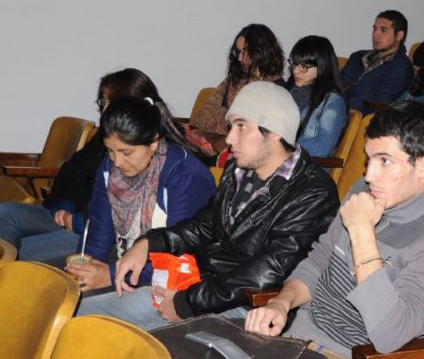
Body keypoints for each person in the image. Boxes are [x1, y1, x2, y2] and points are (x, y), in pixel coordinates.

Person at [78, 82, 339, 330]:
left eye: (241, 126)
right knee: (78, 314)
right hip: (199, 287)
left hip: (247, 309)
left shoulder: (313, 193)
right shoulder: (239, 169)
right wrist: (149, 243)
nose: (229, 139)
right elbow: (204, 225)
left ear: (275, 132)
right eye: (231, 126)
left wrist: (186, 302)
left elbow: (265, 273)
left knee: (112, 337)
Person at [245, 101, 424, 358]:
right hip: (294, 340)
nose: (370, 175)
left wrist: (362, 232)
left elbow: (390, 333)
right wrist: (280, 304)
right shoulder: (363, 191)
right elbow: (318, 261)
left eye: (385, 161)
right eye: (370, 159)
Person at [0, 69, 161, 266]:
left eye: (109, 102)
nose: (104, 109)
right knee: (5, 213)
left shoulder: (146, 149)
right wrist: (64, 205)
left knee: (20, 252)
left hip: (96, 233)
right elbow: (72, 171)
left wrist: (78, 220)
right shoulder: (105, 135)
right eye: (102, 102)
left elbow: (122, 212)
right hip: (70, 214)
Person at [67, 96, 216, 292]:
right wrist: (87, 270)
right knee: (63, 295)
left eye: (126, 152)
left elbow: (182, 253)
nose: (117, 162)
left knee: (82, 314)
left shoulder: (186, 176)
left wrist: (110, 276)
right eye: (110, 151)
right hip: (127, 261)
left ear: (154, 141)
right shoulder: (109, 168)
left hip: (176, 281)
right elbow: (98, 231)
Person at [192, 24, 285, 150]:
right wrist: (233, 122)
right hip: (214, 142)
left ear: (261, 52)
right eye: (238, 52)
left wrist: (225, 118)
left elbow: (256, 131)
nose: (240, 58)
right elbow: (204, 115)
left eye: (245, 52)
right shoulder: (235, 78)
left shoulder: (275, 88)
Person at [285, 35, 347, 157]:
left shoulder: (333, 102)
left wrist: (282, 143)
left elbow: (322, 147)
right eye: (294, 63)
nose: (295, 71)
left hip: (307, 170)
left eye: (303, 66)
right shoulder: (287, 92)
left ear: (321, 67)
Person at [341, 10, 413, 113]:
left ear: (399, 35)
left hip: (361, 119)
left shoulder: (401, 67)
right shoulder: (357, 57)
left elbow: (379, 104)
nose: (376, 35)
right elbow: (337, 85)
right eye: (375, 29)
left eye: (383, 30)